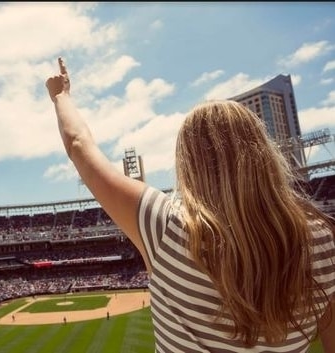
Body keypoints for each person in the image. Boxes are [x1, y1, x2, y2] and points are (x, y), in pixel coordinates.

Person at [46, 57, 335, 352]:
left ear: (189, 164)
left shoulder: (165, 226)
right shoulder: (324, 240)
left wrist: (61, 96)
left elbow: (78, 144)